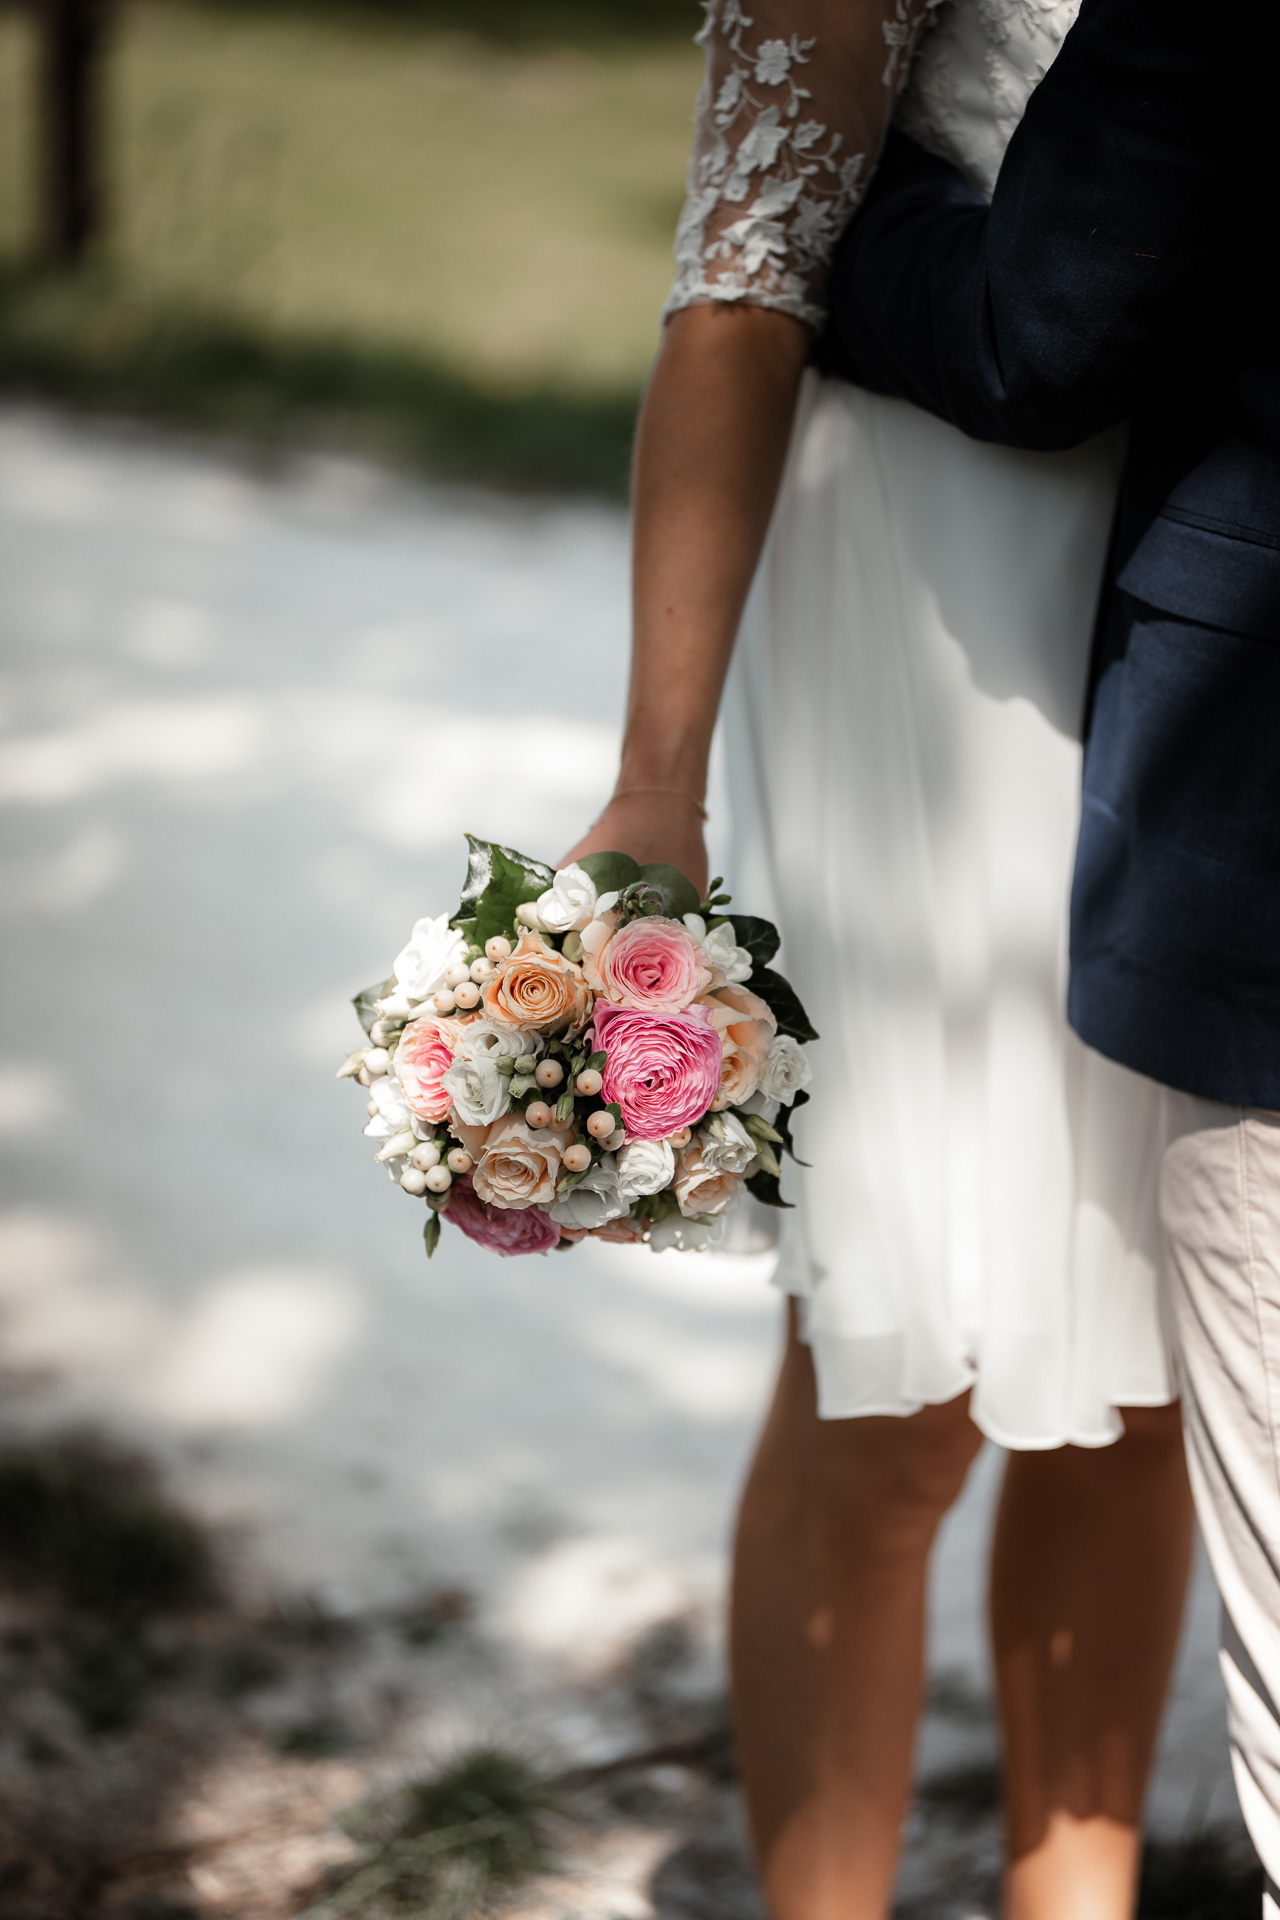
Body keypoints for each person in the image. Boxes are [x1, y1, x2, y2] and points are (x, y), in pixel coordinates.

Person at [563, 1, 1196, 1913]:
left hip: (1203, 563)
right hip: (927, 557)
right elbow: (746, 270)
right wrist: (656, 776)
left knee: (1158, 1324)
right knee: (895, 1364)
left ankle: (1064, 1899)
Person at [818, 0, 1280, 1899]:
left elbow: (1045, 321)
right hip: (974, 650)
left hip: (1232, 777)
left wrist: (801, 234)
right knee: (936, 1364)